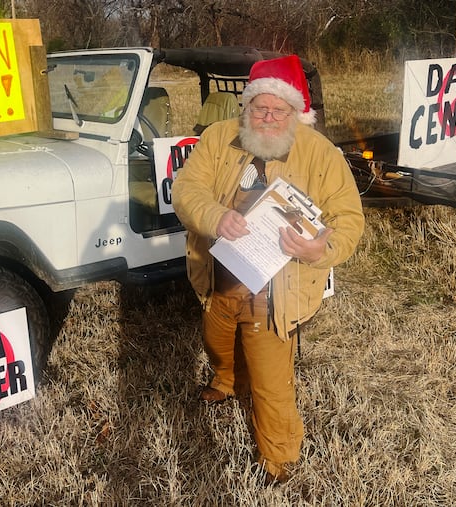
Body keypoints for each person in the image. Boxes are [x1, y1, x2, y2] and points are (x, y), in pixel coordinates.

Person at [172, 54, 365, 484]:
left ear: (297, 113)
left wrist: (320, 249)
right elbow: (187, 189)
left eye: (280, 110)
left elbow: (349, 219)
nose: (269, 117)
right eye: (260, 107)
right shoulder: (220, 137)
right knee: (216, 343)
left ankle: (279, 460)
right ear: (246, 107)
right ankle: (225, 380)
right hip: (220, 278)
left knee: (270, 383)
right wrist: (215, 216)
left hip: (275, 295)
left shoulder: (321, 154)